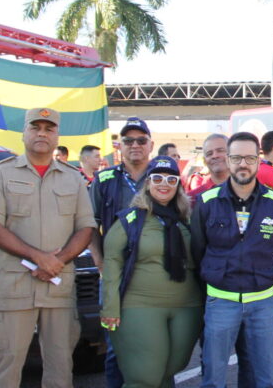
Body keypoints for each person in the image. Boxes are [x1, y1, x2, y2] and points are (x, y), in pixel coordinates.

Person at [0, 107, 96, 388]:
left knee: (60, 369)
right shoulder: (1, 174)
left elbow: (86, 228)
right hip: (14, 288)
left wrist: (58, 261)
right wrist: (39, 258)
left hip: (58, 287)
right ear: (24, 132)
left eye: (49, 129)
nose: (42, 133)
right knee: (7, 367)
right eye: (35, 127)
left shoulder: (73, 178)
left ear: (57, 136)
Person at [191, 132, 273, 388]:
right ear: (228, 160)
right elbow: (197, 250)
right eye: (237, 158)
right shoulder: (206, 202)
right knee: (213, 379)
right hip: (220, 303)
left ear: (259, 160)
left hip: (261, 303)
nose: (243, 164)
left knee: (267, 379)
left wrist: (268, 273)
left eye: (249, 158)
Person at [100, 156, 203, 388]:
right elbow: (112, 264)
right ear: (147, 182)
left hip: (187, 306)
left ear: (178, 184)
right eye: (157, 178)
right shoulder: (130, 220)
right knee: (144, 376)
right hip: (140, 306)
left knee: (169, 370)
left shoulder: (187, 220)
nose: (163, 183)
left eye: (170, 178)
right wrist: (110, 308)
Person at [89, 116, 154, 386]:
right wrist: (101, 265)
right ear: (120, 146)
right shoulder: (103, 180)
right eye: (128, 140)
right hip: (115, 278)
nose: (135, 145)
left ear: (151, 144)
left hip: (154, 279)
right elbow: (90, 225)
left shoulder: (164, 177)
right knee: (116, 348)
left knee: (156, 345)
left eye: (141, 140)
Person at [187, 133, 229, 201]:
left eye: (220, 150)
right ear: (205, 160)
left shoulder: (246, 193)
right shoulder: (193, 199)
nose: (215, 156)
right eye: (209, 153)